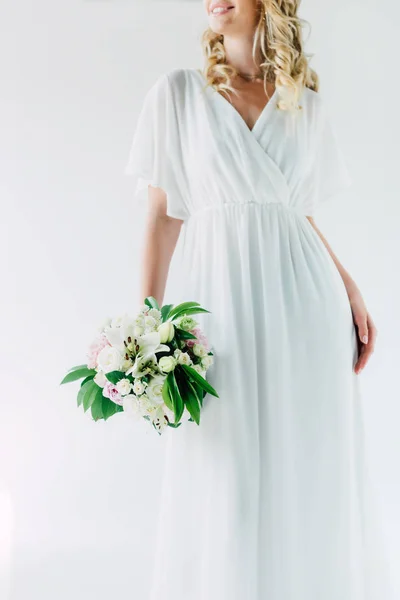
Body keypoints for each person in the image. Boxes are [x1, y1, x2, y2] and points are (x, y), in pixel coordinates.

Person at [125, 1, 393, 598]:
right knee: (228, 473)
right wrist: (144, 332)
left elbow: (294, 212)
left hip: (307, 306)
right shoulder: (178, 94)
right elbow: (160, 220)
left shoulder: (304, 102)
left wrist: (347, 283)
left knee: (305, 469)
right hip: (220, 304)